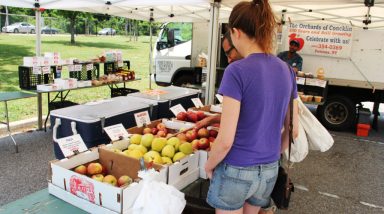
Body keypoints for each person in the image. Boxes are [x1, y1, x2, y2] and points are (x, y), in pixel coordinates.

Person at [204, 0, 298, 213]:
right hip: (269, 170)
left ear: (235, 32)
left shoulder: (236, 71)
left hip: (236, 168)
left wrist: (209, 165)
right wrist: (273, 153)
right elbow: (294, 130)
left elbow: (226, 140)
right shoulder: (286, 70)